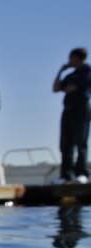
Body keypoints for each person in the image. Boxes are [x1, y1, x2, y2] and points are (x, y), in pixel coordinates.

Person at [52, 47, 90, 185]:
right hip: (68, 110)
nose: (69, 61)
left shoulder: (87, 72)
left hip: (81, 109)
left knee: (81, 142)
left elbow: (72, 88)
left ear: (78, 58)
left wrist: (69, 88)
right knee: (65, 143)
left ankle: (82, 173)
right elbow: (56, 88)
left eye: (71, 58)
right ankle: (66, 174)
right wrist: (61, 71)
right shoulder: (71, 74)